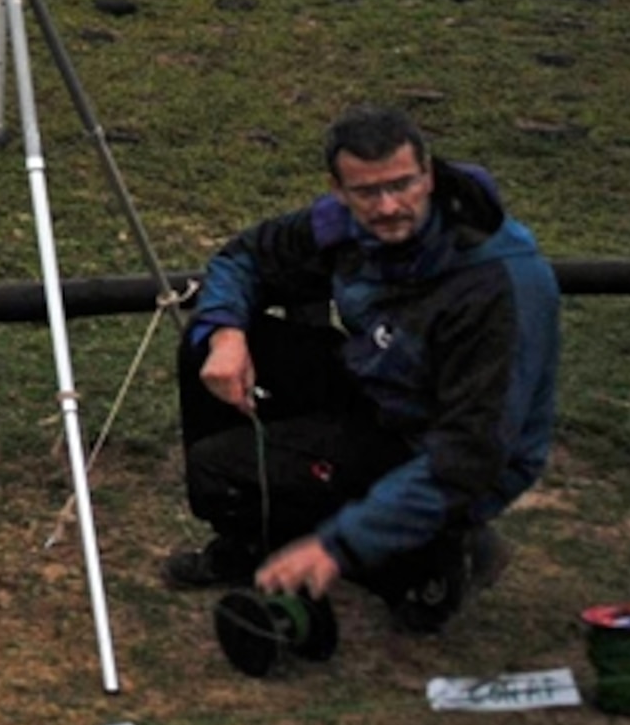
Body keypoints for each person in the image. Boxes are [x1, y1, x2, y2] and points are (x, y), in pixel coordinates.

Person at [165, 106, 560, 632]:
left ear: (430, 175)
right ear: (339, 189)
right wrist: (225, 334)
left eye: (403, 185)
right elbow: (245, 257)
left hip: (449, 445)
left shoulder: (497, 283)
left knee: (226, 467)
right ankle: (253, 538)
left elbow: (474, 450)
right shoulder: (344, 225)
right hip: (378, 387)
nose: (389, 206)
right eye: (368, 192)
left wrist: (339, 546)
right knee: (206, 353)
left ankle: (438, 556)